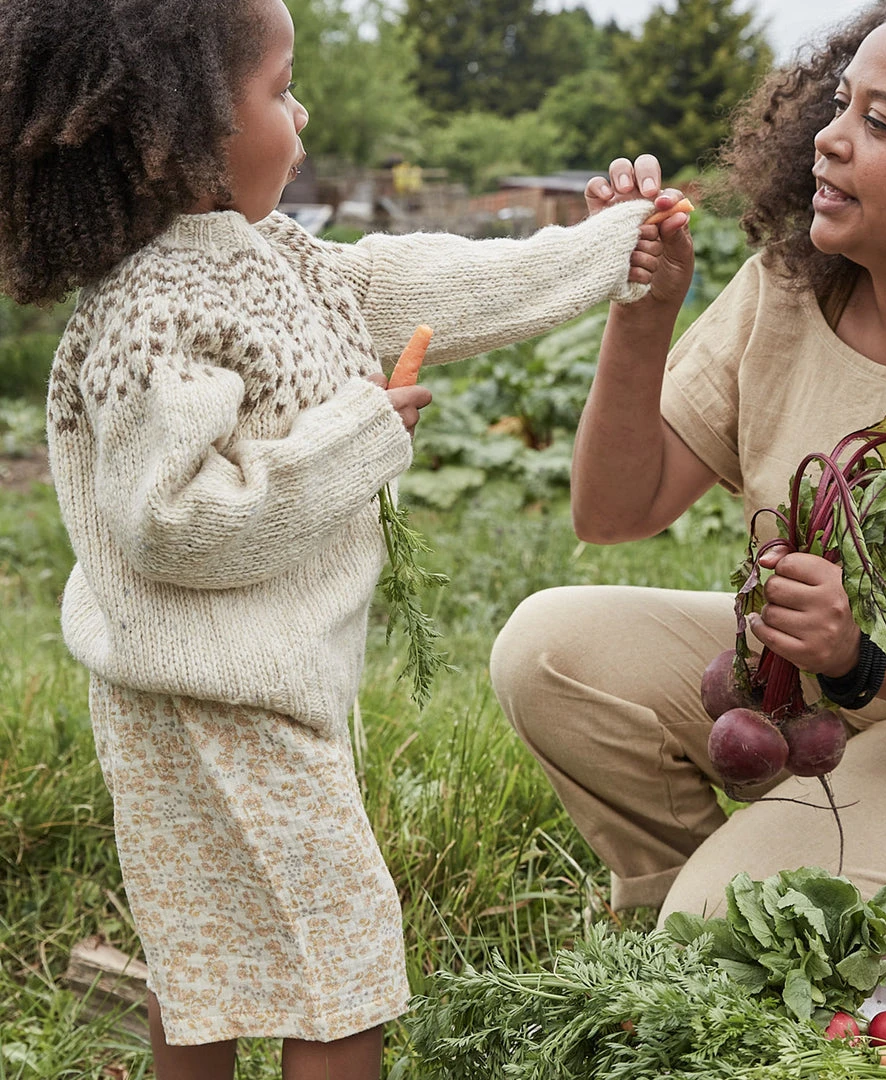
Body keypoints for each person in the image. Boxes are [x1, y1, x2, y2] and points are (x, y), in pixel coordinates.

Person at [0, 1, 685, 1076]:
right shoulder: (157, 306)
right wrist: (351, 440)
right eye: (280, 89)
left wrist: (603, 250)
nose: (304, 108)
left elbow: (432, 282)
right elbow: (170, 525)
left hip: (218, 692)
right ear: (181, 135)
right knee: (342, 976)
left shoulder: (271, 259)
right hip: (216, 701)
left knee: (209, 965)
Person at [491, 0, 886, 949]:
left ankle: (752, 930)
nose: (829, 140)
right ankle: (703, 944)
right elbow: (613, 510)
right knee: (550, 649)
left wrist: (866, 659)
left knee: (728, 916)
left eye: (878, 124)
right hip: (820, 698)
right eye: (838, 105)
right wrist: (643, 313)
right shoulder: (789, 287)